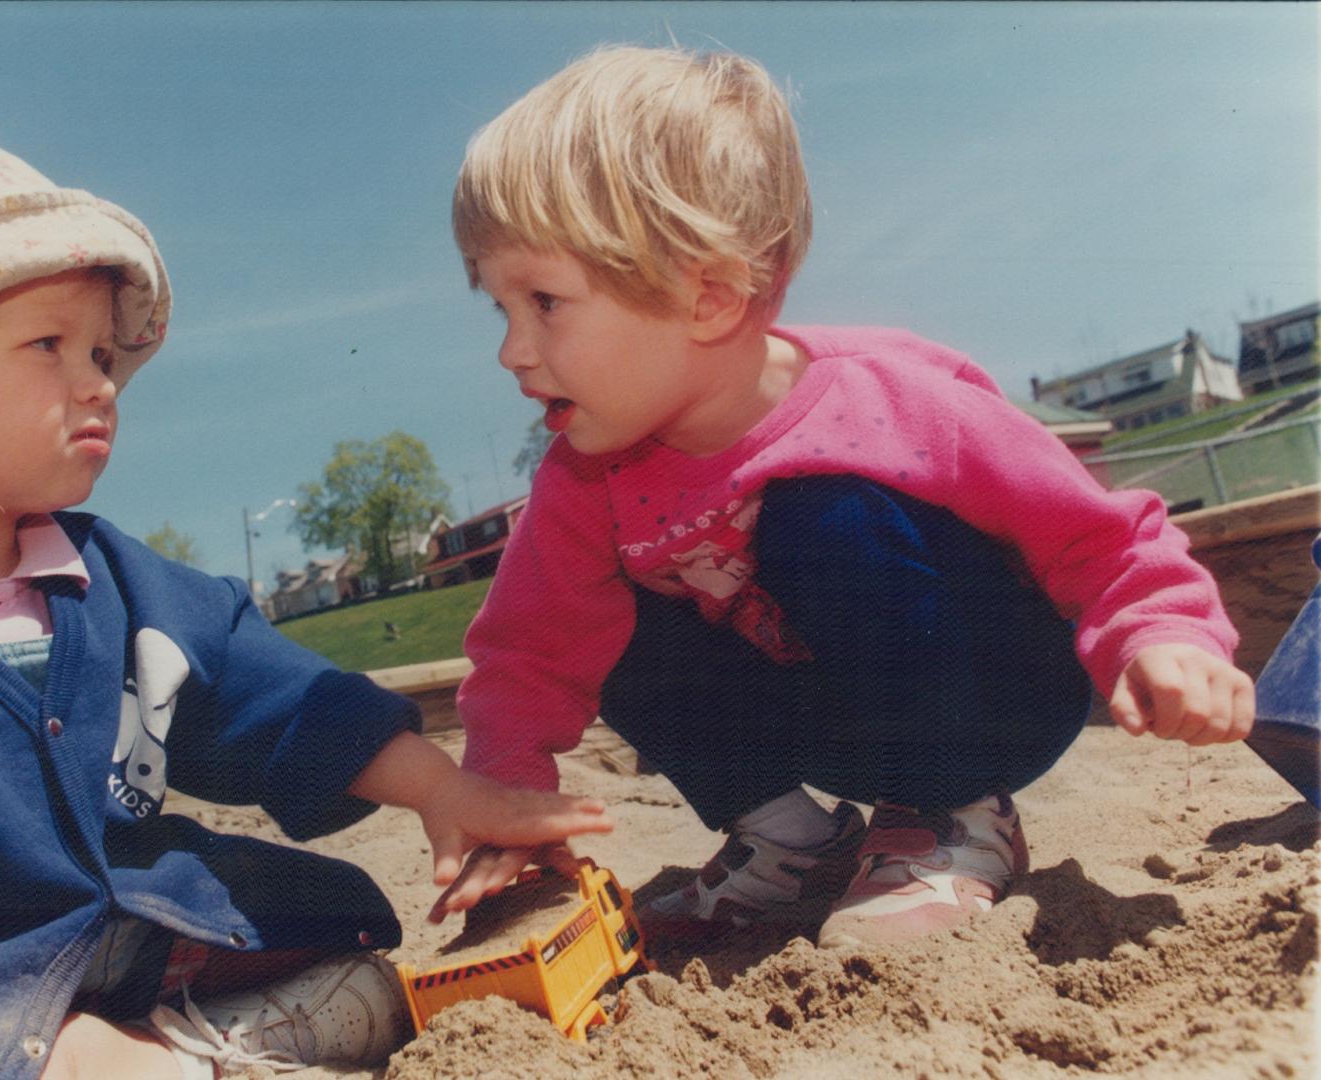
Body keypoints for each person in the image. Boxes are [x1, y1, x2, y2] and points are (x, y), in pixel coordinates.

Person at [0, 141, 611, 1079]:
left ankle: (169, 1047)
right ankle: (134, 1058)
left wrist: (446, 791)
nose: (100, 380)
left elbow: (282, 699)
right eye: (47, 345)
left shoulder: (117, 584)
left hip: (122, 936)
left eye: (102, 352)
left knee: (330, 935)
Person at [433, 46, 1254, 948]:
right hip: (828, 716)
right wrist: (506, 794)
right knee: (602, 615)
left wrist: (1164, 633)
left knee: (820, 514)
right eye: (498, 308)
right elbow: (529, 655)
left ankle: (950, 817)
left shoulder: (890, 400)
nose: (511, 350)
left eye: (545, 301)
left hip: (992, 696)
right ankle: (795, 848)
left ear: (707, 295)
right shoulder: (586, 478)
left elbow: (1090, 533)